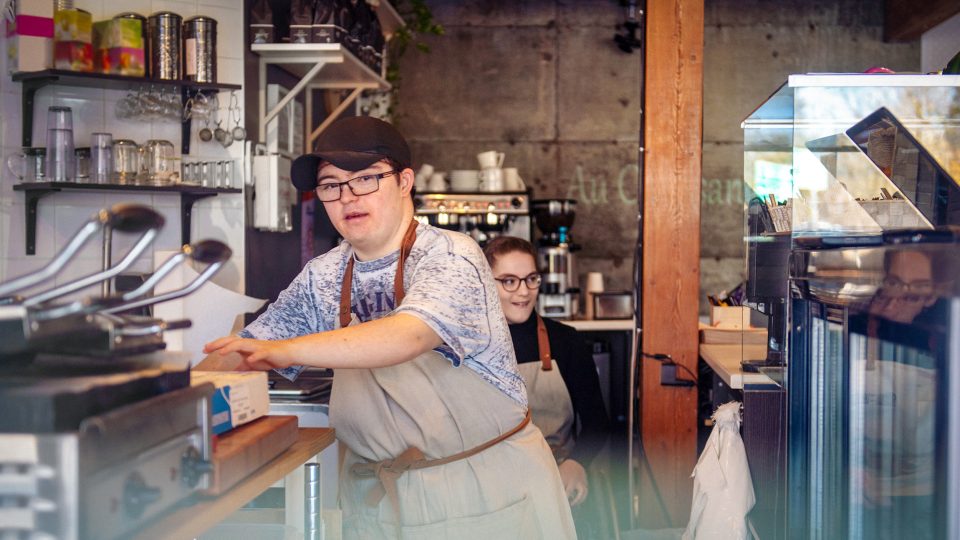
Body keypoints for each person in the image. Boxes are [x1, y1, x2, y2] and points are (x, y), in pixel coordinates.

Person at [201, 116, 575, 538]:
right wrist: (173, 399)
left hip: (483, 491)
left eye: (365, 179)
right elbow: (247, 351)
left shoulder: (452, 255)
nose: (347, 197)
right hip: (378, 500)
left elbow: (409, 335)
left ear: (404, 181)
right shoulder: (323, 275)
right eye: (330, 185)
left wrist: (287, 349)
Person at [483, 236, 611, 533]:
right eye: (509, 281)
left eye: (531, 279)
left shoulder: (566, 341)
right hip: (492, 489)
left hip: (556, 479)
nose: (524, 292)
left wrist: (578, 463)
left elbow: (597, 422)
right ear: (486, 284)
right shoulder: (472, 345)